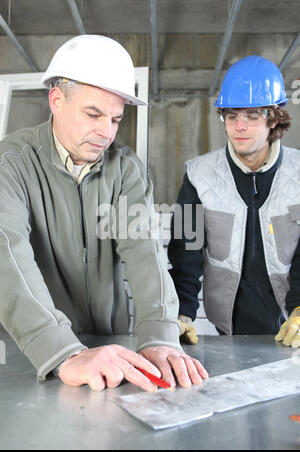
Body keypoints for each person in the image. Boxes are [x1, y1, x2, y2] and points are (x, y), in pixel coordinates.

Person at [0, 35, 208, 391]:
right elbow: (8, 255)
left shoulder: (125, 169)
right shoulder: (10, 164)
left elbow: (145, 252)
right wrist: (61, 350)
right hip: (32, 350)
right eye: (93, 114)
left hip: (107, 345)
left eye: (115, 119)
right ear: (57, 100)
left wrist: (158, 334)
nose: (106, 132)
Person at [168, 55, 300, 348]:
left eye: (252, 116)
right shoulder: (198, 175)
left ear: (273, 118)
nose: (239, 126)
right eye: (231, 116)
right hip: (227, 326)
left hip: (291, 321)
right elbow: (185, 251)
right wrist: (182, 313)